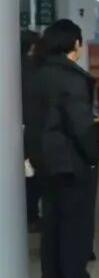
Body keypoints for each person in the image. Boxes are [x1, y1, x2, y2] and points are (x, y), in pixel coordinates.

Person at [25, 19, 99, 278]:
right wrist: (93, 153)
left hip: (44, 160)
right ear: (75, 44)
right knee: (76, 225)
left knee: (53, 222)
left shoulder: (36, 75)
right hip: (71, 161)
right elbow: (81, 125)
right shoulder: (71, 78)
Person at [21, 30, 42, 231]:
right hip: (31, 129)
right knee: (32, 175)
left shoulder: (11, 67)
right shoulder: (34, 70)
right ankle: (31, 216)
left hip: (16, 128)